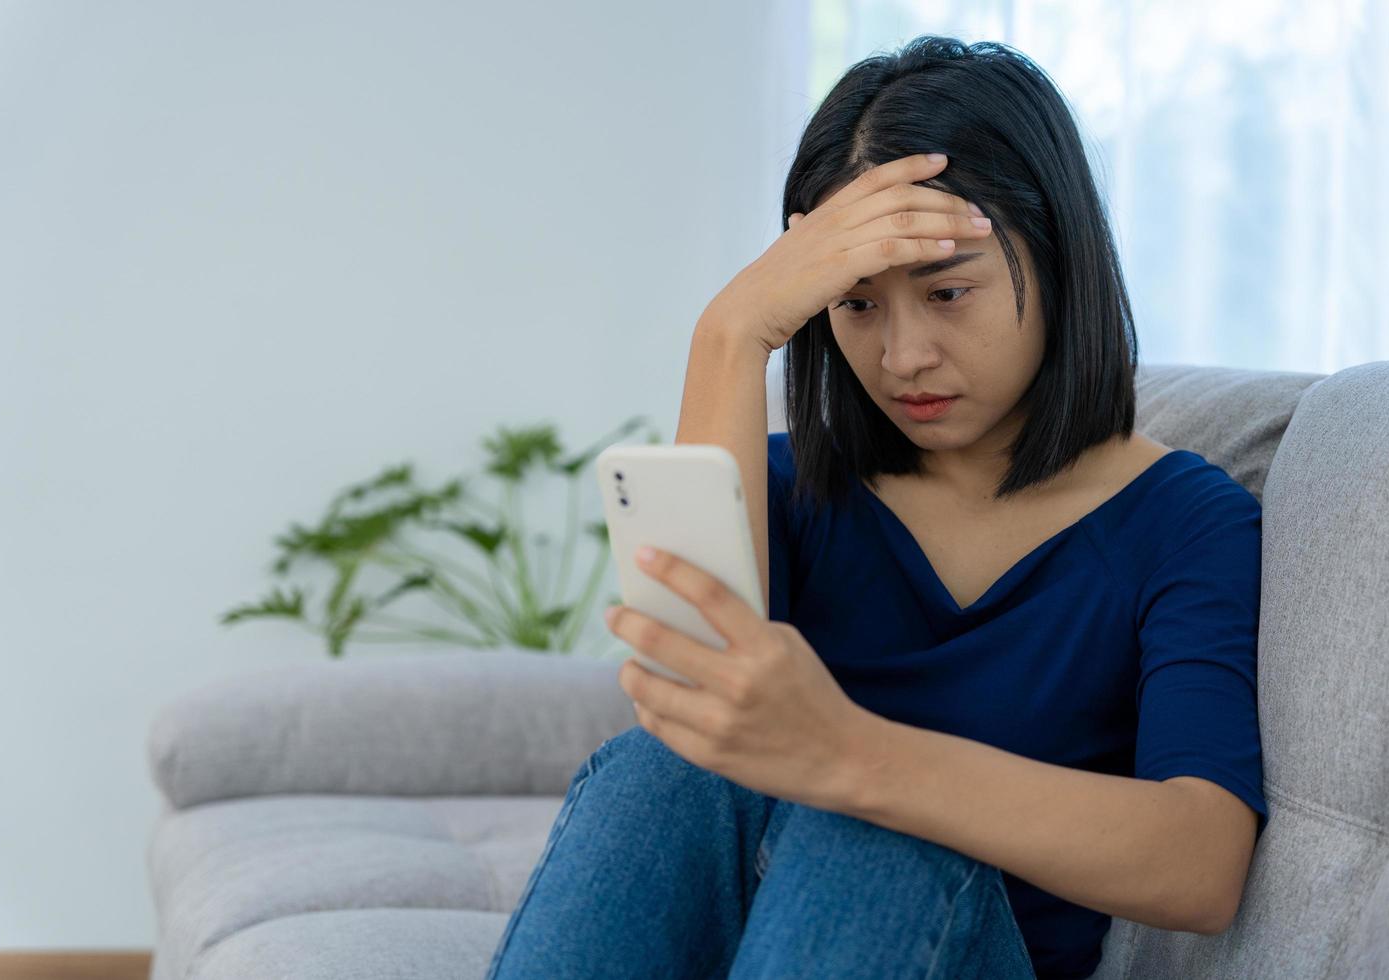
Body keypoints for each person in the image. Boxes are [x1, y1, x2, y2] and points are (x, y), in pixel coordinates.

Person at [483, 35, 1267, 980]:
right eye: (856, 306)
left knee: (877, 832)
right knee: (665, 766)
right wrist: (729, 335)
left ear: (1058, 267)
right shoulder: (796, 487)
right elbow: (693, 725)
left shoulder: (1183, 519)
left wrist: (853, 756)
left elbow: (1203, 860)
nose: (904, 358)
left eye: (948, 293)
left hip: (962, 943)